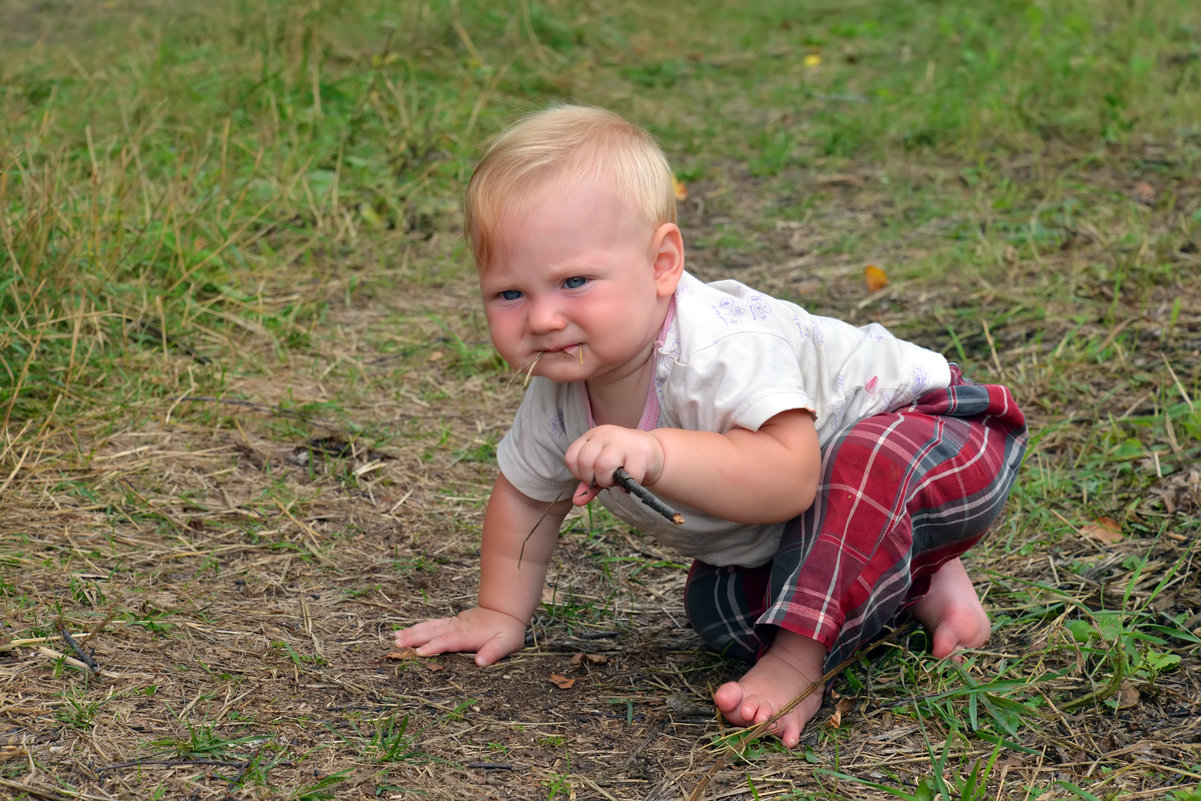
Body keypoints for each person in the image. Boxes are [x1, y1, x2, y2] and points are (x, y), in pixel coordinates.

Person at [393, 104, 1027, 746]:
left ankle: (796, 667)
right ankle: (919, 576)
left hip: (941, 434)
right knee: (718, 610)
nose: (544, 318)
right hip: (836, 516)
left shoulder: (716, 350)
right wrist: (500, 610)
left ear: (663, 263)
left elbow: (789, 481)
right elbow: (527, 500)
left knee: (865, 463)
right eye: (510, 294)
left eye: (574, 281)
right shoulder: (558, 395)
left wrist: (658, 452)